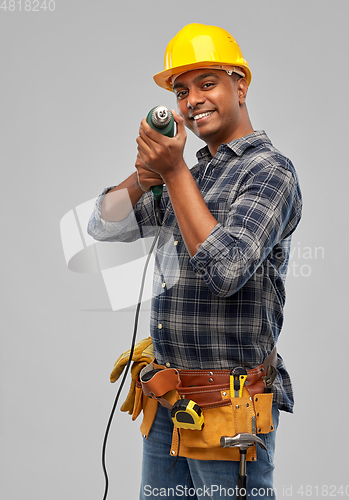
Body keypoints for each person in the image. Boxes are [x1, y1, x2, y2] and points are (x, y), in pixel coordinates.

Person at [88, 23, 302, 500]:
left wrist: (174, 170)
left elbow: (226, 270)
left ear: (239, 85)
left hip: (228, 407)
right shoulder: (186, 173)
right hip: (167, 402)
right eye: (182, 91)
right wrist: (144, 177)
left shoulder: (270, 171)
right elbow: (103, 224)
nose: (192, 100)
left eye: (207, 84)